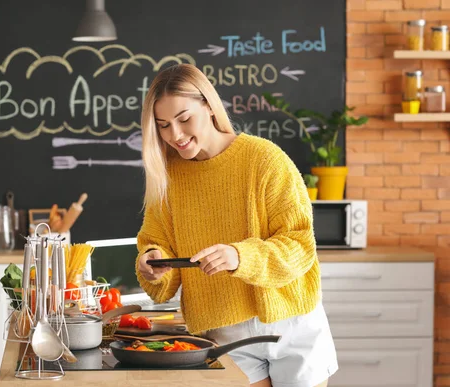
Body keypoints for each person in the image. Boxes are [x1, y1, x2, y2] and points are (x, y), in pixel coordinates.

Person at [135, 63, 338, 387]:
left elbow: (300, 245)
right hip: (222, 331)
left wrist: (240, 256)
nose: (175, 135)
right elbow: (157, 250)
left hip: (292, 324)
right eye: (163, 125)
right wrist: (153, 262)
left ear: (209, 106)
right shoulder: (168, 178)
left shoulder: (265, 159)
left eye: (184, 118)